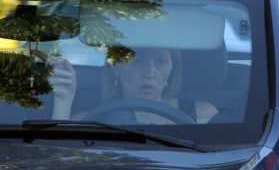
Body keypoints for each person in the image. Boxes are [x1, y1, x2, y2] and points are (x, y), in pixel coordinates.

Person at [50, 47, 217, 124]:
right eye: (137, 60)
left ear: (172, 69)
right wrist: (63, 101)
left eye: (160, 61)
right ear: (116, 68)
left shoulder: (202, 116)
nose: (150, 72)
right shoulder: (89, 121)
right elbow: (57, 161)